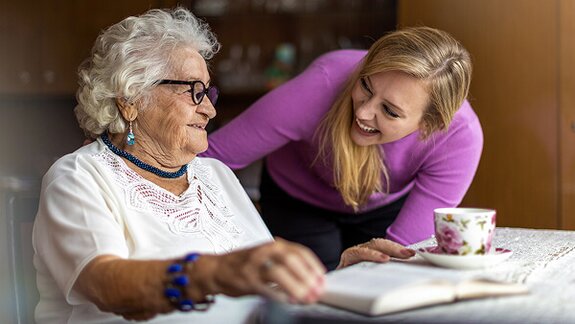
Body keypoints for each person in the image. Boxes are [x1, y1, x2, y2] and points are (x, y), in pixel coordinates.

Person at [32, 8, 414, 323]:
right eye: (193, 91)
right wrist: (213, 272)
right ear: (130, 100)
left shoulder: (213, 174)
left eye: (209, 92)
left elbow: (265, 286)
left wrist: (335, 274)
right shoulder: (80, 177)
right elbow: (105, 284)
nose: (210, 109)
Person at [203, 26, 483, 270]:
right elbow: (209, 158)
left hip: (384, 206)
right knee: (308, 296)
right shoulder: (322, 84)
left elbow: (400, 255)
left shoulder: (460, 138)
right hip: (298, 199)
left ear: (430, 125)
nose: (363, 112)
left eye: (389, 111)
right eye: (366, 86)